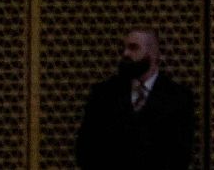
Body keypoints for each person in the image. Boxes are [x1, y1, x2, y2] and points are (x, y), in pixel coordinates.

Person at [74, 29, 196, 170]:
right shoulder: (104, 94)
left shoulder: (178, 98)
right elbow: (85, 149)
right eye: (124, 48)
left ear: (152, 54)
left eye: (133, 48)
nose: (125, 54)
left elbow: (180, 156)